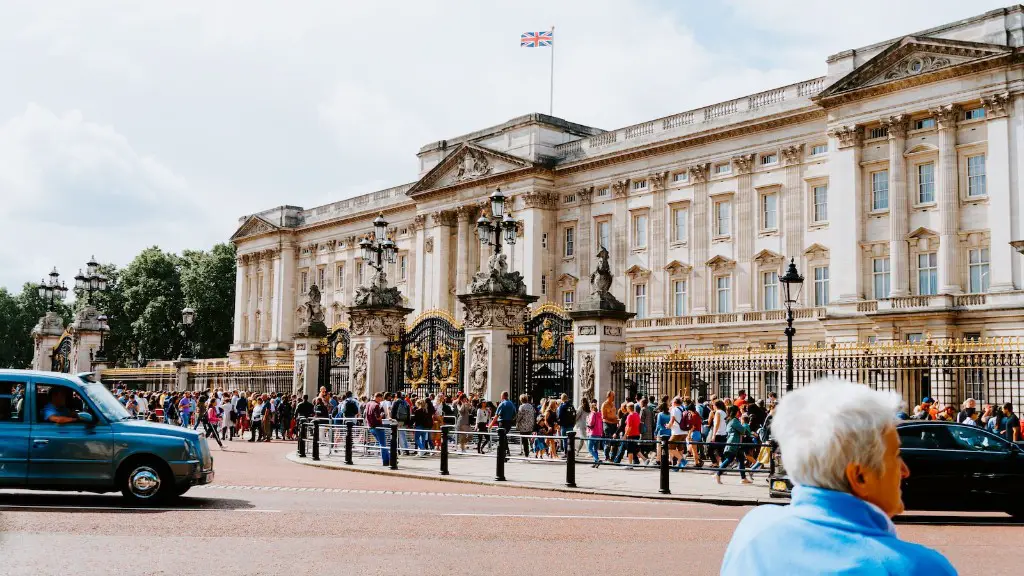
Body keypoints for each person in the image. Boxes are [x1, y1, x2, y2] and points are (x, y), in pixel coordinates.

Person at [721, 378, 956, 575]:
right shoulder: (917, 567)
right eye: (894, 456)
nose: (905, 470)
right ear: (860, 477)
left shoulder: (753, 527)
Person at [715, 405, 752, 485]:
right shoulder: (735, 421)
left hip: (736, 442)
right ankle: (718, 474)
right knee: (729, 459)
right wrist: (744, 426)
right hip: (734, 442)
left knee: (741, 459)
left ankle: (743, 478)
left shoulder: (731, 420)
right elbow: (742, 430)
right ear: (736, 412)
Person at [364, 392, 390, 466]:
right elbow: (378, 417)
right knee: (383, 444)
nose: (381, 400)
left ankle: (389, 458)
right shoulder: (376, 405)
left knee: (381, 444)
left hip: (371, 427)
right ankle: (385, 461)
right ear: (378, 397)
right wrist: (382, 415)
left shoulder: (368, 403)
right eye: (381, 398)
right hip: (378, 426)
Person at [587, 400, 604, 466]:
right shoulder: (599, 414)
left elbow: (591, 423)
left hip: (592, 433)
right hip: (599, 433)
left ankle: (597, 459)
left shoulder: (592, 414)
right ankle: (595, 463)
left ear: (591, 408)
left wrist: (587, 422)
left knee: (590, 448)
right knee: (595, 449)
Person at [601, 391, 617, 460]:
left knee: (615, 441)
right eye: (613, 396)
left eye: (614, 396)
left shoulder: (613, 404)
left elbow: (614, 415)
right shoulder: (604, 405)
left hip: (614, 424)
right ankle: (607, 457)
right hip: (607, 424)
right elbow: (604, 417)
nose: (614, 397)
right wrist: (613, 420)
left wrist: (617, 420)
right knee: (608, 441)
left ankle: (612, 457)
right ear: (608, 396)